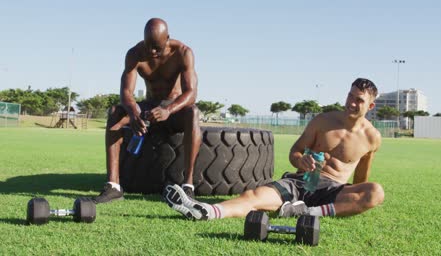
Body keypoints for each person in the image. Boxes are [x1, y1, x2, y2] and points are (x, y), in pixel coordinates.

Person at [164, 78, 384, 220]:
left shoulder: (372, 138)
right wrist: (302, 161)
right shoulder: (322, 121)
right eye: (350, 95)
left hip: (331, 191)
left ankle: (307, 212)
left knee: (375, 192)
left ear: (370, 106)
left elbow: (360, 183)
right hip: (303, 182)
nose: (351, 103)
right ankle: (208, 211)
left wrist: (352, 200)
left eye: (359, 100)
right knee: (254, 195)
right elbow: (294, 152)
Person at [94, 18, 201, 203]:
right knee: (115, 113)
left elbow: (191, 93)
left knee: (193, 112)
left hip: (172, 110)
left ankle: (188, 185)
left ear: (167, 38)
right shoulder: (134, 54)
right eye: (148, 45)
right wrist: (134, 114)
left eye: (157, 47)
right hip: (149, 107)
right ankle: (113, 186)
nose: (151, 52)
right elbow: (126, 92)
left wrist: (168, 109)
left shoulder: (183, 52)